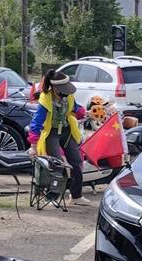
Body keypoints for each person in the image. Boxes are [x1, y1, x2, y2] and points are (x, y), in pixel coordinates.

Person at [27, 70, 90, 206]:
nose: (67, 94)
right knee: (57, 165)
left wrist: (84, 112)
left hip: (67, 132)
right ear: (55, 88)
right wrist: (33, 146)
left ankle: (76, 196)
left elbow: (76, 108)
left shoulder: (69, 97)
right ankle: (52, 197)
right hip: (52, 134)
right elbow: (36, 123)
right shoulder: (45, 100)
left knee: (77, 162)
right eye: (64, 91)